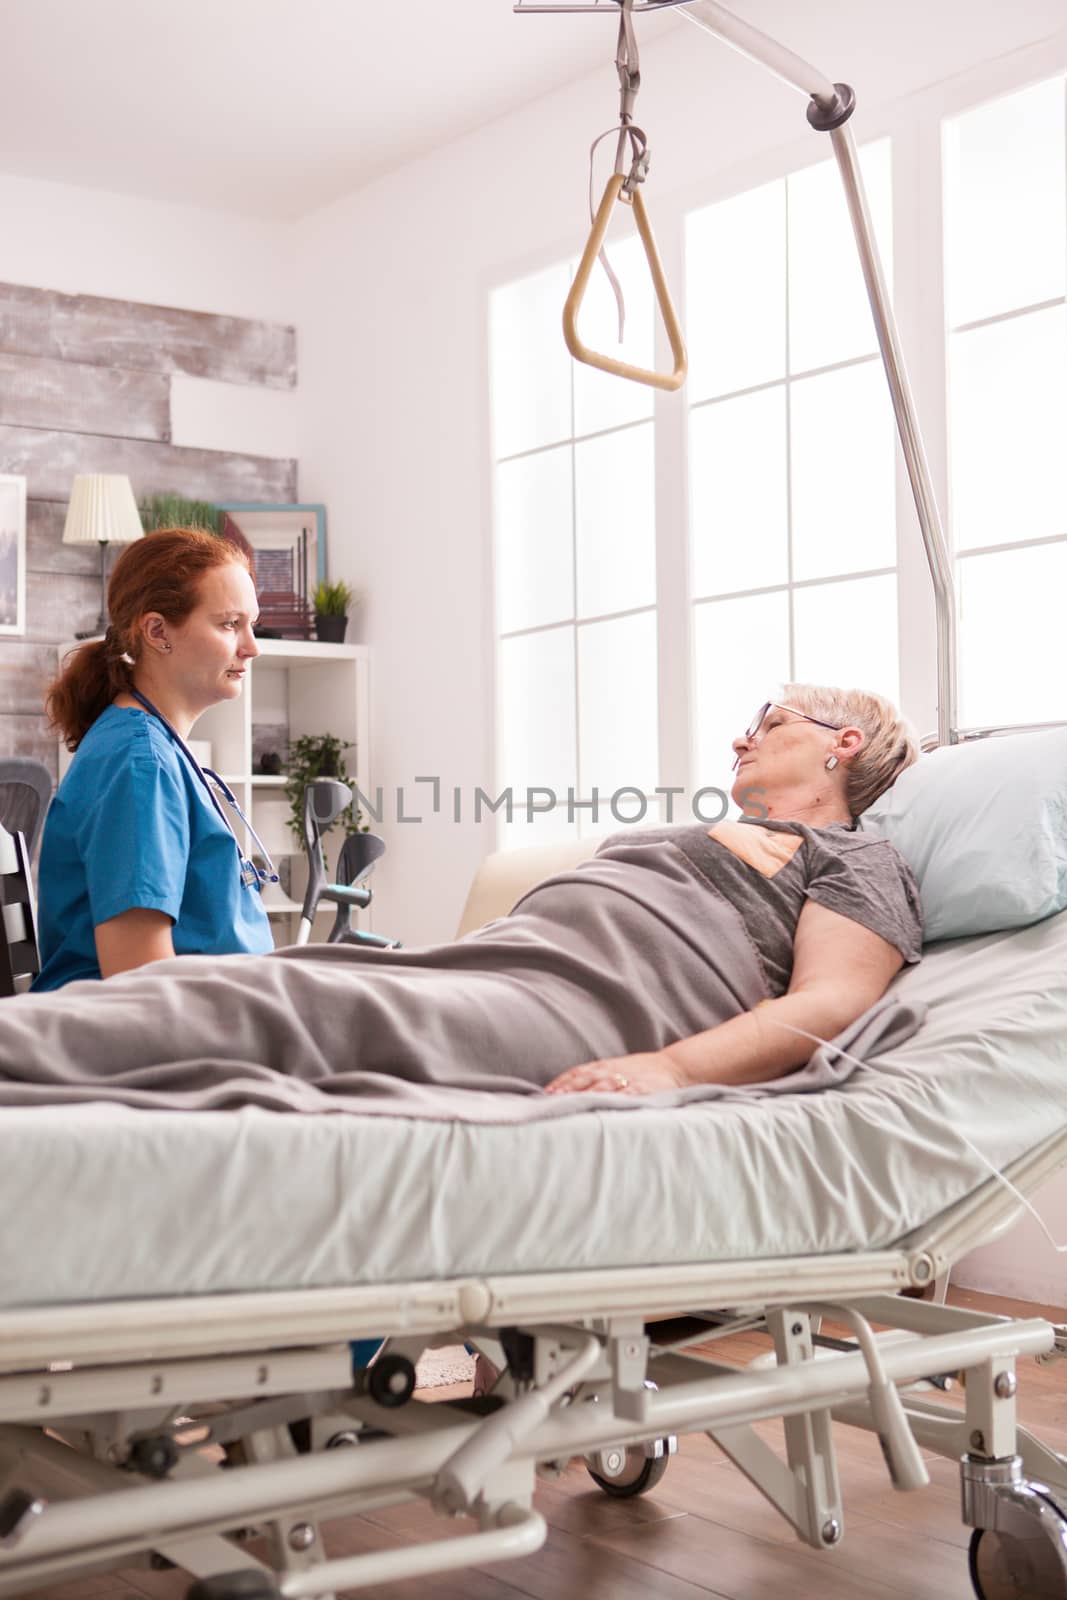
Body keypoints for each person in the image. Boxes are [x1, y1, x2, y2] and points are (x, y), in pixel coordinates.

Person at [3, 683, 921, 1100]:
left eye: (768, 721)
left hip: (579, 1007)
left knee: (285, 1007)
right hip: (496, 966)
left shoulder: (853, 861)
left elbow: (833, 999)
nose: (740, 740)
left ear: (842, 743)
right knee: (228, 986)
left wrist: (670, 1069)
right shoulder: (685, 831)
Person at [33, 528, 274, 991]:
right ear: (158, 631)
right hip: (152, 1043)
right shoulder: (140, 764)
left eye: (252, 625)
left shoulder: (152, 749)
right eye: (229, 624)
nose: (252, 646)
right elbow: (140, 981)